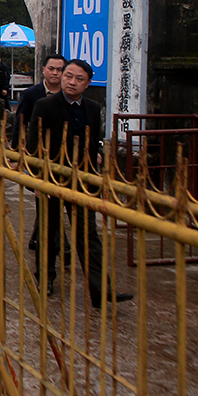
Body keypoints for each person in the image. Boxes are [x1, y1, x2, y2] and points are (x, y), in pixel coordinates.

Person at [27, 60, 132, 307]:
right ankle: (46, 278)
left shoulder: (93, 109)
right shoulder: (45, 105)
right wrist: (39, 182)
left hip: (82, 181)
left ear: (87, 83)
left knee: (88, 236)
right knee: (49, 232)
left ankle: (100, 290)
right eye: (68, 76)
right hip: (51, 179)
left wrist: (94, 169)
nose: (72, 82)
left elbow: (93, 141)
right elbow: (33, 146)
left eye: (79, 79)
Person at [12, 54, 65, 250]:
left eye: (59, 70)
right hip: (37, 155)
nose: (55, 73)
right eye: (51, 68)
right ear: (43, 69)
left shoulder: (68, 96)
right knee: (44, 199)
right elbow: (20, 122)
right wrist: (16, 153)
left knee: (51, 202)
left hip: (63, 156)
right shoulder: (32, 94)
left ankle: (38, 238)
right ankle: (62, 245)